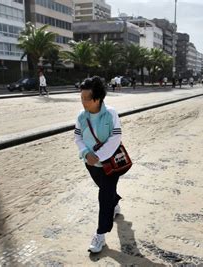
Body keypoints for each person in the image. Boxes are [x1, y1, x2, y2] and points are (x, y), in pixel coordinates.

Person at [74, 76, 123, 253]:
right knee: (105, 190)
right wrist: (86, 154)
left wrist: (99, 156)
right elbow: (77, 137)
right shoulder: (81, 116)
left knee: (103, 197)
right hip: (91, 164)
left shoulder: (111, 113)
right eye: (81, 98)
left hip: (110, 163)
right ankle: (115, 203)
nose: (83, 102)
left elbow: (116, 137)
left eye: (86, 98)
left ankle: (100, 235)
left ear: (98, 98)